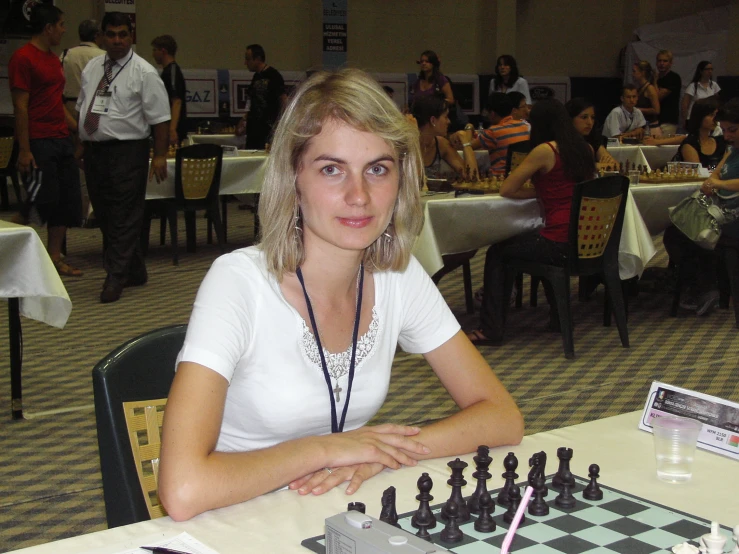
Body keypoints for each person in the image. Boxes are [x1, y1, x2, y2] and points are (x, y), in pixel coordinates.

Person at [158, 68, 524, 521]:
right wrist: (329, 449)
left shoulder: (398, 276)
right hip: (234, 516)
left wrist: (382, 451)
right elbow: (183, 489)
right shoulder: (237, 283)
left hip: (331, 511)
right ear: (293, 178)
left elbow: (502, 416)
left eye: (377, 169)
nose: (360, 196)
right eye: (332, 169)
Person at [467, 99, 595, 344]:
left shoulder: (546, 150)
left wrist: (540, 192)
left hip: (558, 241)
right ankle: (558, 317)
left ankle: (490, 329)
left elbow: (507, 188)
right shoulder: (584, 149)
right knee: (527, 243)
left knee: (497, 252)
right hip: (584, 239)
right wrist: (548, 192)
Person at [76, 12, 170, 303]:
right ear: (101, 36)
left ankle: (114, 276)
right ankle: (135, 268)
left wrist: (161, 155)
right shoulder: (92, 67)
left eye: (123, 34)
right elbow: (83, 107)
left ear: (132, 37)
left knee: (124, 215)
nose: (117, 40)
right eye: (111, 34)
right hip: (95, 151)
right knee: (103, 212)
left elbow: (161, 119)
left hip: (129, 151)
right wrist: (81, 143)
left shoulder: (144, 73)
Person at [8, 4, 83, 276]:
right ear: (48, 27)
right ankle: (9, 254)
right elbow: (21, 107)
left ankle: (54, 258)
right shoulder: (23, 58)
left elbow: (57, 103)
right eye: (61, 25)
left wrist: (79, 130)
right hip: (38, 140)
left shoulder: (54, 60)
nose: (64, 30)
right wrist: (24, 150)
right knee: (39, 202)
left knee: (65, 202)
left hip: (61, 139)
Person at [664, 98, 739, 316]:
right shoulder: (731, 150)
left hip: (734, 215)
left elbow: (720, 180)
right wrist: (711, 182)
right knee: (678, 229)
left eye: (732, 130)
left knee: (689, 233)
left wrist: (719, 184)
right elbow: (716, 173)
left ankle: (704, 286)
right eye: (724, 130)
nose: (727, 136)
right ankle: (707, 284)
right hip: (724, 209)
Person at [451, 93, 529, 176]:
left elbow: (466, 146)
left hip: (500, 179)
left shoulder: (494, 131)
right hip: (523, 177)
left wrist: (469, 127)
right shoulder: (524, 126)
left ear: (492, 113)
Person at [412, 94, 477, 179]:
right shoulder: (407, 145)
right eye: (446, 117)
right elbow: (414, 181)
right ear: (433, 120)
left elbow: (471, 177)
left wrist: (465, 143)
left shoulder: (441, 144)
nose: (449, 121)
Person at [235, 44, 287, 149]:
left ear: (258, 59)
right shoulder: (256, 77)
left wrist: (281, 125)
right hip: (254, 129)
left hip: (267, 130)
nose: (246, 63)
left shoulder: (274, 76)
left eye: (248, 59)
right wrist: (244, 119)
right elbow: (251, 101)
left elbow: (284, 100)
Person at [61, 19, 105, 117]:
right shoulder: (104, 56)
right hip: (94, 108)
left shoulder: (65, 54)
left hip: (68, 108)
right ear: (96, 35)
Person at [151, 34, 188, 146]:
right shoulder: (167, 71)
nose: (153, 54)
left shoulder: (172, 72)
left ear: (163, 51)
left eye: (154, 50)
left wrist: (172, 130)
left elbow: (176, 101)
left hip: (173, 132)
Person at [565, 98, 618, 167]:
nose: (590, 122)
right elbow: (575, 168)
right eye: (584, 117)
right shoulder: (561, 141)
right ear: (570, 118)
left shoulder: (593, 137)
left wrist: (600, 165)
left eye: (592, 117)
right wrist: (598, 166)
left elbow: (615, 165)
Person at [678, 98, 726, 169]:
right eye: (711, 115)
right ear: (700, 116)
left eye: (716, 115)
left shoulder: (721, 141)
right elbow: (697, 174)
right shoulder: (690, 144)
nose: (715, 119)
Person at [681, 61, 721, 129]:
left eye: (711, 69)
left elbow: (717, 102)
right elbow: (685, 105)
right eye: (707, 69)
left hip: (710, 119)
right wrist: (684, 120)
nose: (710, 71)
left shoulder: (714, 85)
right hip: (694, 118)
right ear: (701, 71)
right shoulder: (693, 86)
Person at [655, 49, 682, 136]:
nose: (662, 63)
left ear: (670, 63)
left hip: (668, 120)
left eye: (665, 61)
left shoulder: (673, 78)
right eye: (659, 61)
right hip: (655, 119)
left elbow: (657, 97)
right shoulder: (656, 77)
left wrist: (654, 82)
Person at [632, 61, 661, 137]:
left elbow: (656, 110)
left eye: (634, 71)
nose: (633, 74)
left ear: (642, 73)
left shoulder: (650, 89)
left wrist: (637, 109)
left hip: (651, 129)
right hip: (642, 127)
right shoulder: (639, 88)